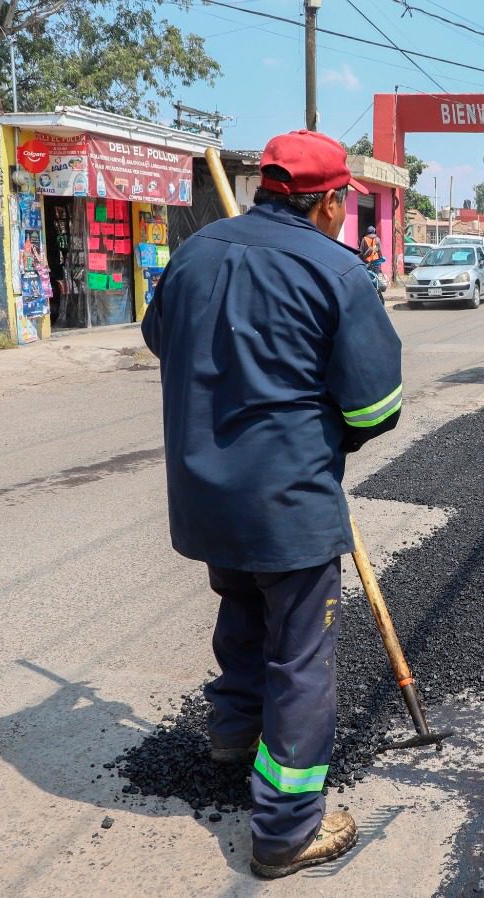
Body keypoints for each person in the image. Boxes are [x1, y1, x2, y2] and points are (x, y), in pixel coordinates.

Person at [142, 129, 402, 879]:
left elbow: (164, 339)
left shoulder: (195, 253)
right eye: (343, 202)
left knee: (242, 612)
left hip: (204, 496)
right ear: (327, 202)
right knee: (300, 655)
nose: (344, 213)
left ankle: (233, 734)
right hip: (286, 503)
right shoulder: (338, 274)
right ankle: (287, 828)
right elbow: (375, 408)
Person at [359, 226, 384, 290]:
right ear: (374, 231)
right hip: (376, 262)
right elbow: (380, 252)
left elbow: (361, 252)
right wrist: (380, 258)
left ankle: (369, 290)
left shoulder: (364, 239)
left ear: (367, 232)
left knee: (368, 277)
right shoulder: (377, 239)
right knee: (376, 276)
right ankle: (377, 290)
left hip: (367, 262)